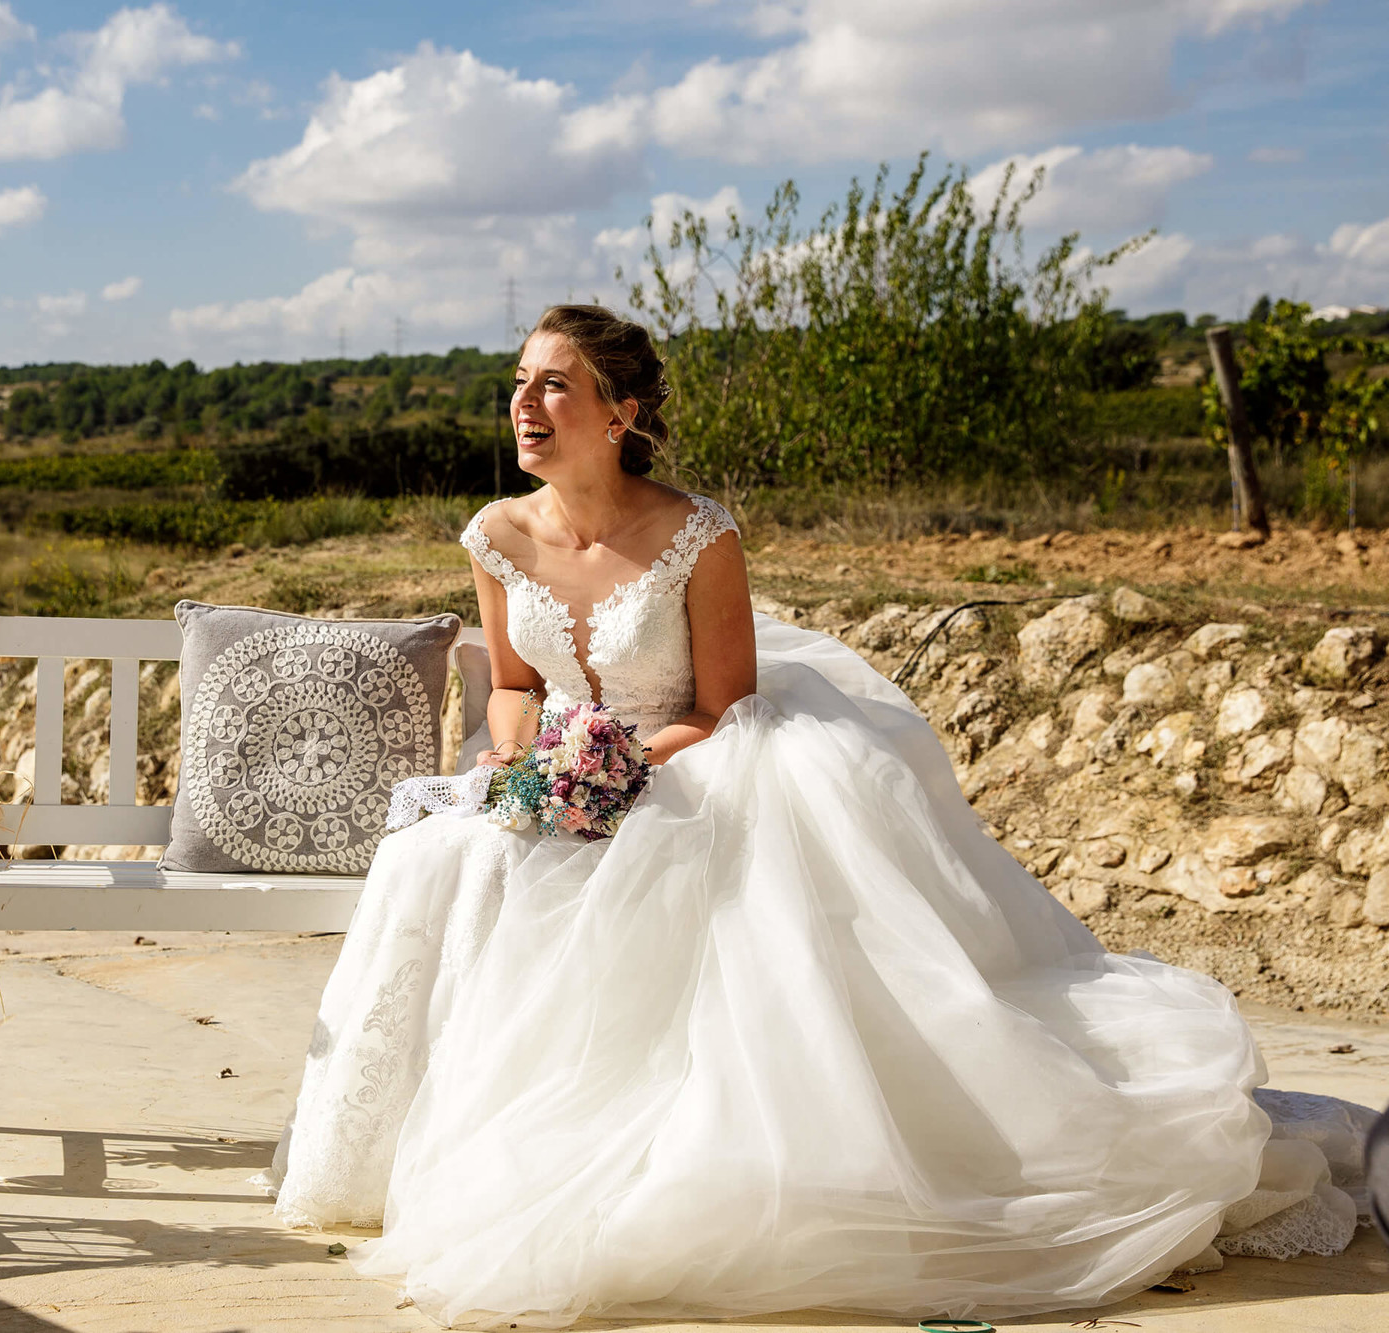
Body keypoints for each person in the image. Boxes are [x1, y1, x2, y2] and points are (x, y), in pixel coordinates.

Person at [264, 305, 1373, 1329]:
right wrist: (528, 758)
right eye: (518, 382)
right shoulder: (494, 535)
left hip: (693, 759)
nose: (522, 404)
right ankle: (409, 1158)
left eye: (553, 386)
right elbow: (509, 681)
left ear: (621, 413)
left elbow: (719, 704)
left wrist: (611, 767)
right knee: (440, 860)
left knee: (671, 884)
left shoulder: (698, 534)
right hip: (552, 770)